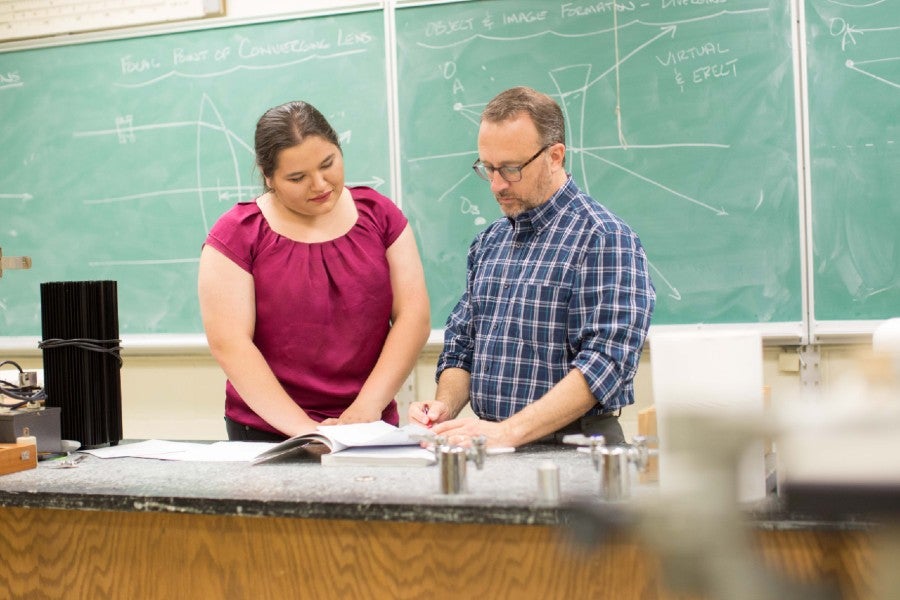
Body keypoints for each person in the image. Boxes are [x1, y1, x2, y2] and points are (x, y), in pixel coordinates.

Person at [408, 86, 655, 447]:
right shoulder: (487, 244)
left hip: (576, 448)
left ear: (555, 156)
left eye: (510, 169)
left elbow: (604, 364)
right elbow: (462, 347)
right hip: (493, 442)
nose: (496, 185)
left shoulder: (603, 238)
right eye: (487, 168)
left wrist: (509, 432)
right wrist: (444, 407)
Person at [199, 100, 430, 441]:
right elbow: (230, 343)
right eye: (297, 177)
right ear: (268, 176)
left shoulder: (380, 215)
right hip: (267, 431)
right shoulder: (237, 234)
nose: (320, 184)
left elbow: (414, 316)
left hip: (368, 425)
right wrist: (306, 431)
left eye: (328, 164)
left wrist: (366, 409)